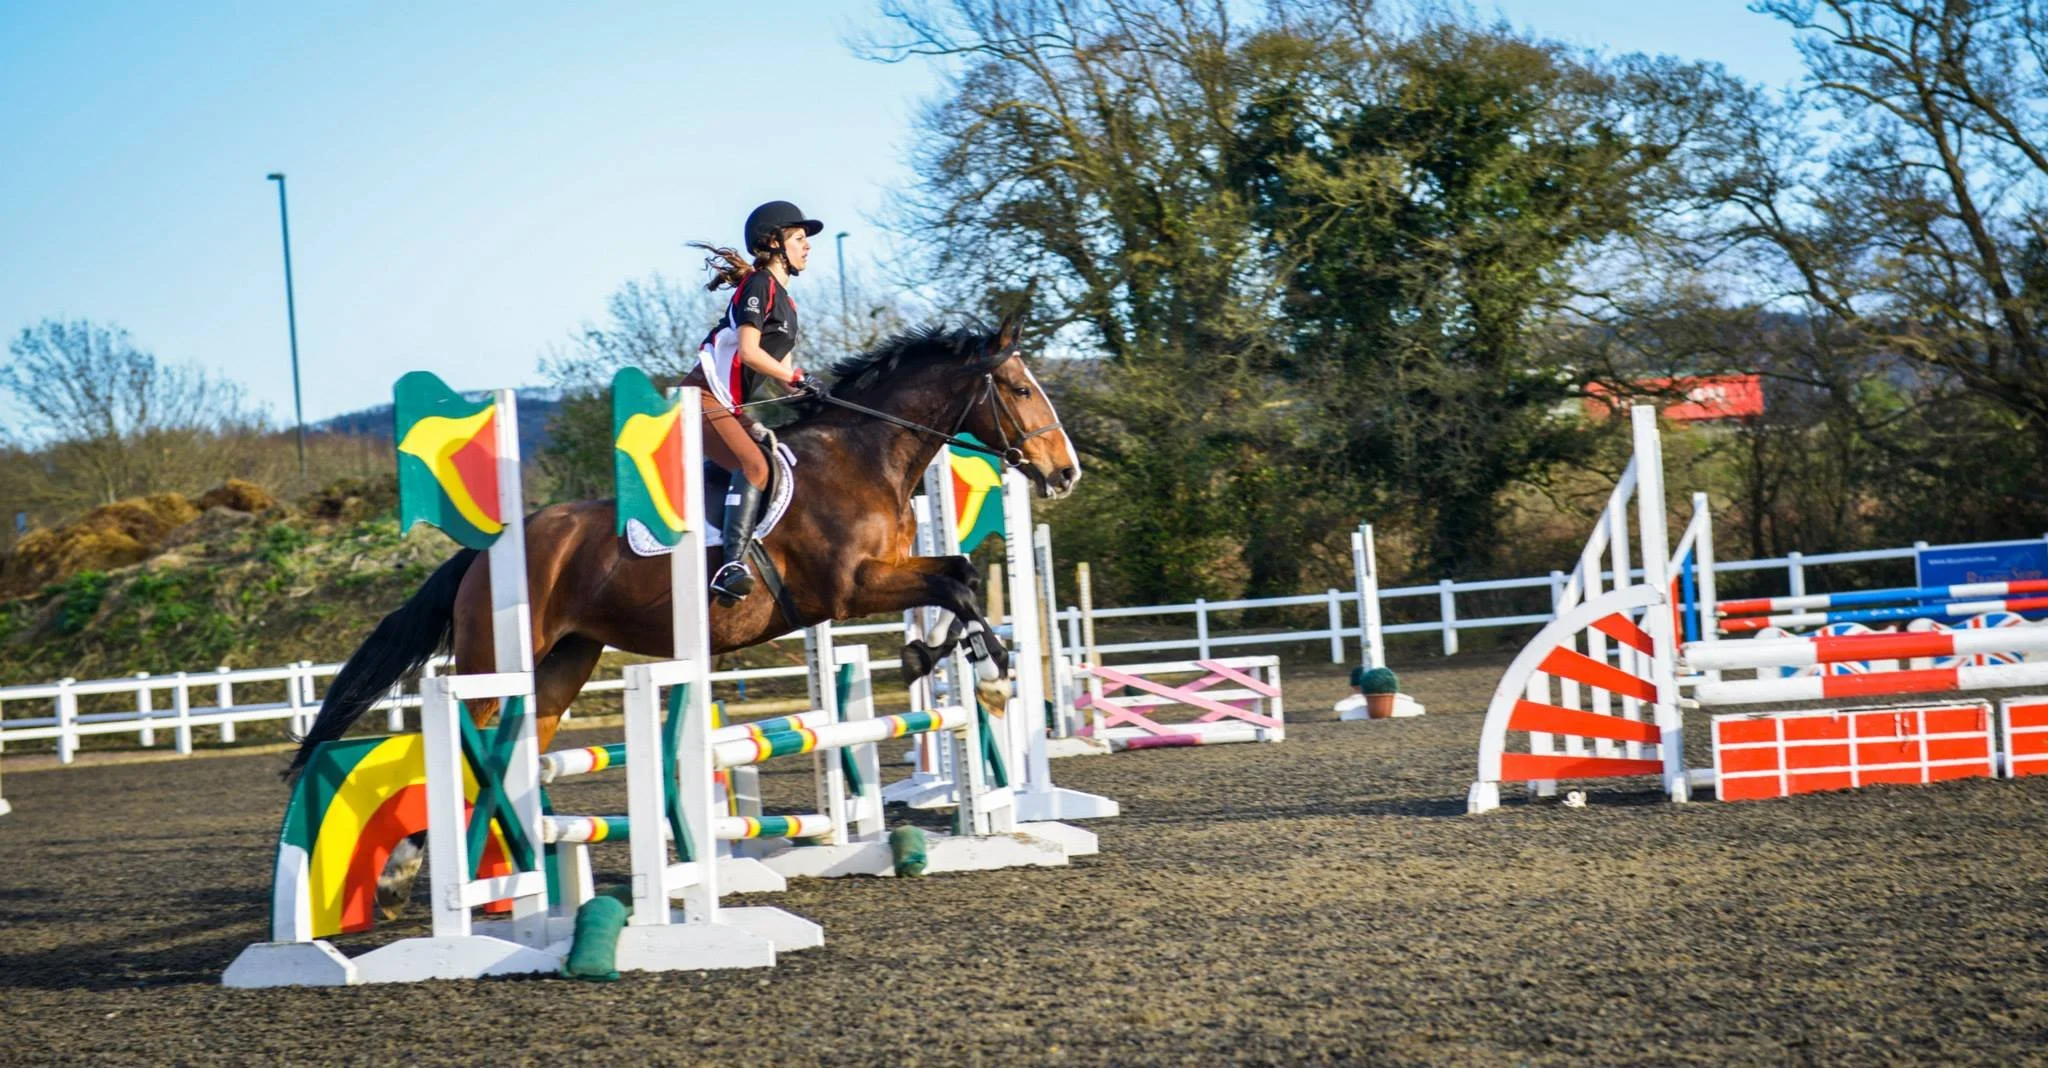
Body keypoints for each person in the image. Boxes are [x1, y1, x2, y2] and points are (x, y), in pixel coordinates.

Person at [686, 201, 826, 604]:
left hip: (724, 405)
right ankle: (730, 564)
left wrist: (811, 389)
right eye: (799, 238)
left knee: (779, 462)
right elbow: (749, 352)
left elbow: (781, 374)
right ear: (774, 243)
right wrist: (796, 377)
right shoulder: (760, 285)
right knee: (754, 465)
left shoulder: (786, 302)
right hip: (700, 398)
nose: (807, 246)